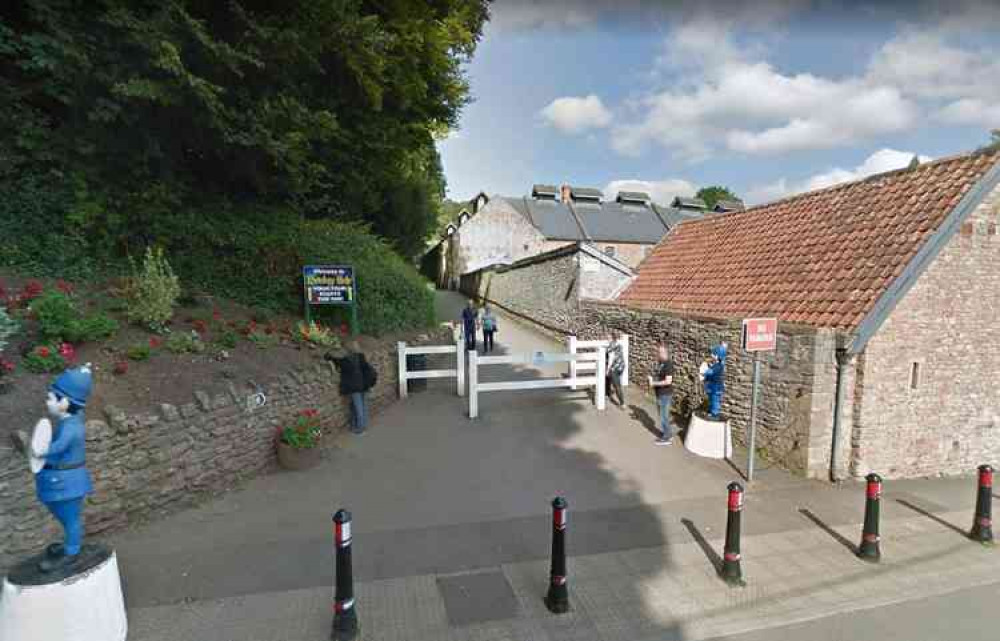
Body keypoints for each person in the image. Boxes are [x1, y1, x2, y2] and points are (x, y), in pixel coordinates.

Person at [10, 365, 95, 572]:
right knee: (65, 516)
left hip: (68, 483)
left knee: (70, 518)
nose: (47, 402)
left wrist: (40, 450)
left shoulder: (72, 427)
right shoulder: (70, 422)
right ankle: (69, 546)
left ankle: (72, 551)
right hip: (61, 482)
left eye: (51, 398)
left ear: (64, 403)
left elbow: (60, 446)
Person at [329, 341, 377, 434]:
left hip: (355, 387)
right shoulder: (361, 357)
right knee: (364, 406)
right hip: (364, 384)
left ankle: (360, 428)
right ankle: (364, 424)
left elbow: (337, 361)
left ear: (347, 349)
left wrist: (330, 356)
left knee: (357, 406)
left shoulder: (347, 359)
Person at [648, 344, 674, 445]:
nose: (657, 354)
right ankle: (668, 434)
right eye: (657, 352)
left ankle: (666, 438)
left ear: (664, 353)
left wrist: (654, 383)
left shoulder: (668, 364)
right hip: (660, 394)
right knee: (663, 415)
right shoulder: (661, 363)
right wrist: (652, 377)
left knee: (664, 416)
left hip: (665, 394)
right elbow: (658, 374)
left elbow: (668, 381)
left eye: (659, 353)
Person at [701, 342, 727, 419]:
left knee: (715, 399)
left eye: (713, 354)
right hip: (712, 386)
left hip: (716, 387)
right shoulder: (717, 364)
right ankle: (710, 411)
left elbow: (711, 372)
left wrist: (705, 372)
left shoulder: (719, 366)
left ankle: (714, 414)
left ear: (717, 355)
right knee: (711, 399)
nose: (711, 355)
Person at [605, 335, 626, 408]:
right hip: (622, 366)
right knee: (616, 383)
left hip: (615, 368)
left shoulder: (611, 347)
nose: (607, 339)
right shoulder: (619, 345)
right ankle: (608, 393)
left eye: (608, 338)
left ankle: (622, 403)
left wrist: (607, 370)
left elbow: (611, 360)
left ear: (612, 339)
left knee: (617, 386)